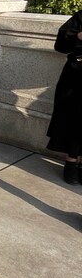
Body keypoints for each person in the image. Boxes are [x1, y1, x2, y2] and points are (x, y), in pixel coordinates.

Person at [47, 10, 82, 183]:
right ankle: (71, 161)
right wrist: (78, 36)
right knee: (73, 118)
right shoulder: (80, 17)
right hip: (76, 76)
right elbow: (60, 45)